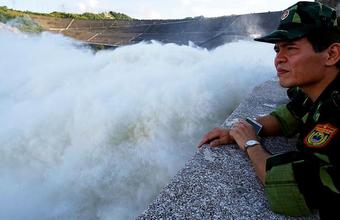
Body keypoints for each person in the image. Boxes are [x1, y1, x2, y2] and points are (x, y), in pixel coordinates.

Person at [197, 1, 340, 219]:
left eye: (291, 48)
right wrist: (240, 130)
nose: (278, 58)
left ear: (331, 54)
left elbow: (295, 190)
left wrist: (250, 144)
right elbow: (288, 115)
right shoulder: (315, 90)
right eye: (277, 49)